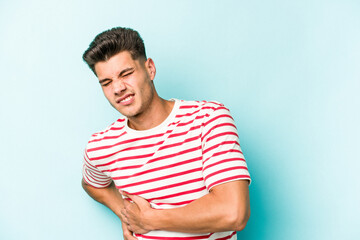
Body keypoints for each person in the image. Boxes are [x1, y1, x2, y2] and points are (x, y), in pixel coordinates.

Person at [81, 27, 251, 240]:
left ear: (150, 69)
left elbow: (233, 212)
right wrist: (126, 215)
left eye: (126, 74)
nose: (118, 88)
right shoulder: (102, 145)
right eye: (106, 83)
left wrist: (148, 220)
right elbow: (91, 184)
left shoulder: (208, 119)